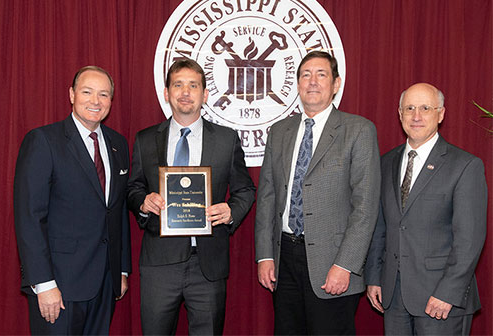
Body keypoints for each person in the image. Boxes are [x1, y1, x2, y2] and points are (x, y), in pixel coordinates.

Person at [255, 50, 381, 335]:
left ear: (336, 84)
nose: (312, 82)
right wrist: (264, 256)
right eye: (305, 75)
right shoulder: (279, 131)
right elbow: (267, 197)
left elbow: (366, 206)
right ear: (298, 84)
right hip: (283, 259)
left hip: (332, 262)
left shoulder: (358, 130)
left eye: (321, 75)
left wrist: (345, 264)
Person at [127, 58, 255, 335]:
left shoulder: (226, 139)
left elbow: (245, 190)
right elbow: (132, 188)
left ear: (205, 94)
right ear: (166, 93)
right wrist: (143, 202)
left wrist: (231, 211)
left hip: (207, 264)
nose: (185, 92)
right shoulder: (145, 139)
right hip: (159, 263)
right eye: (178, 85)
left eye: (193, 85)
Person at [14, 66, 131, 335]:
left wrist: (121, 269)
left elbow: (117, 209)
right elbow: (29, 216)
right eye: (87, 92)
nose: (95, 101)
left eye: (103, 94)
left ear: (111, 101)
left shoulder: (118, 144)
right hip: (59, 286)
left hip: (105, 282)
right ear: (71, 94)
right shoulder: (44, 141)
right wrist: (43, 284)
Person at [364, 83, 488, 335]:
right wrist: (375, 277)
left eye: (425, 108)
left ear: (441, 114)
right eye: (409, 108)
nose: (416, 116)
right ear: (399, 115)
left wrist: (448, 293)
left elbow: (469, 239)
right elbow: (380, 227)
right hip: (394, 296)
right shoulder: (385, 162)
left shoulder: (465, 166)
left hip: (440, 299)